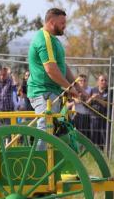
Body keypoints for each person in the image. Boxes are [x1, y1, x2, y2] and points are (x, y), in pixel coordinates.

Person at [27, 8, 84, 136]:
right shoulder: (44, 39)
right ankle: (40, 156)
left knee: (55, 130)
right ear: (52, 22)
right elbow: (51, 70)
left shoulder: (54, 40)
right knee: (45, 130)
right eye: (62, 23)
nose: (65, 26)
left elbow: (62, 66)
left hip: (52, 92)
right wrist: (69, 88)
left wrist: (78, 87)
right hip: (42, 92)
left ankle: (50, 155)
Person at [88, 74, 110, 150]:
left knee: (104, 139)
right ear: (98, 82)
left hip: (104, 119)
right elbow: (87, 103)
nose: (104, 82)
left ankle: (104, 154)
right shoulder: (93, 90)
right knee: (93, 138)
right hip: (93, 118)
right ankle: (93, 153)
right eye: (102, 80)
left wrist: (98, 99)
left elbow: (107, 105)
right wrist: (91, 98)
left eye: (105, 80)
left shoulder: (110, 92)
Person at [69, 74, 93, 139]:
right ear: (77, 82)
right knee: (76, 136)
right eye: (80, 81)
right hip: (77, 115)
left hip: (87, 116)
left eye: (84, 81)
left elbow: (92, 103)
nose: (83, 82)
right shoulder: (72, 90)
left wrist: (89, 99)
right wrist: (74, 102)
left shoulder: (91, 90)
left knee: (86, 137)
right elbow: (66, 105)